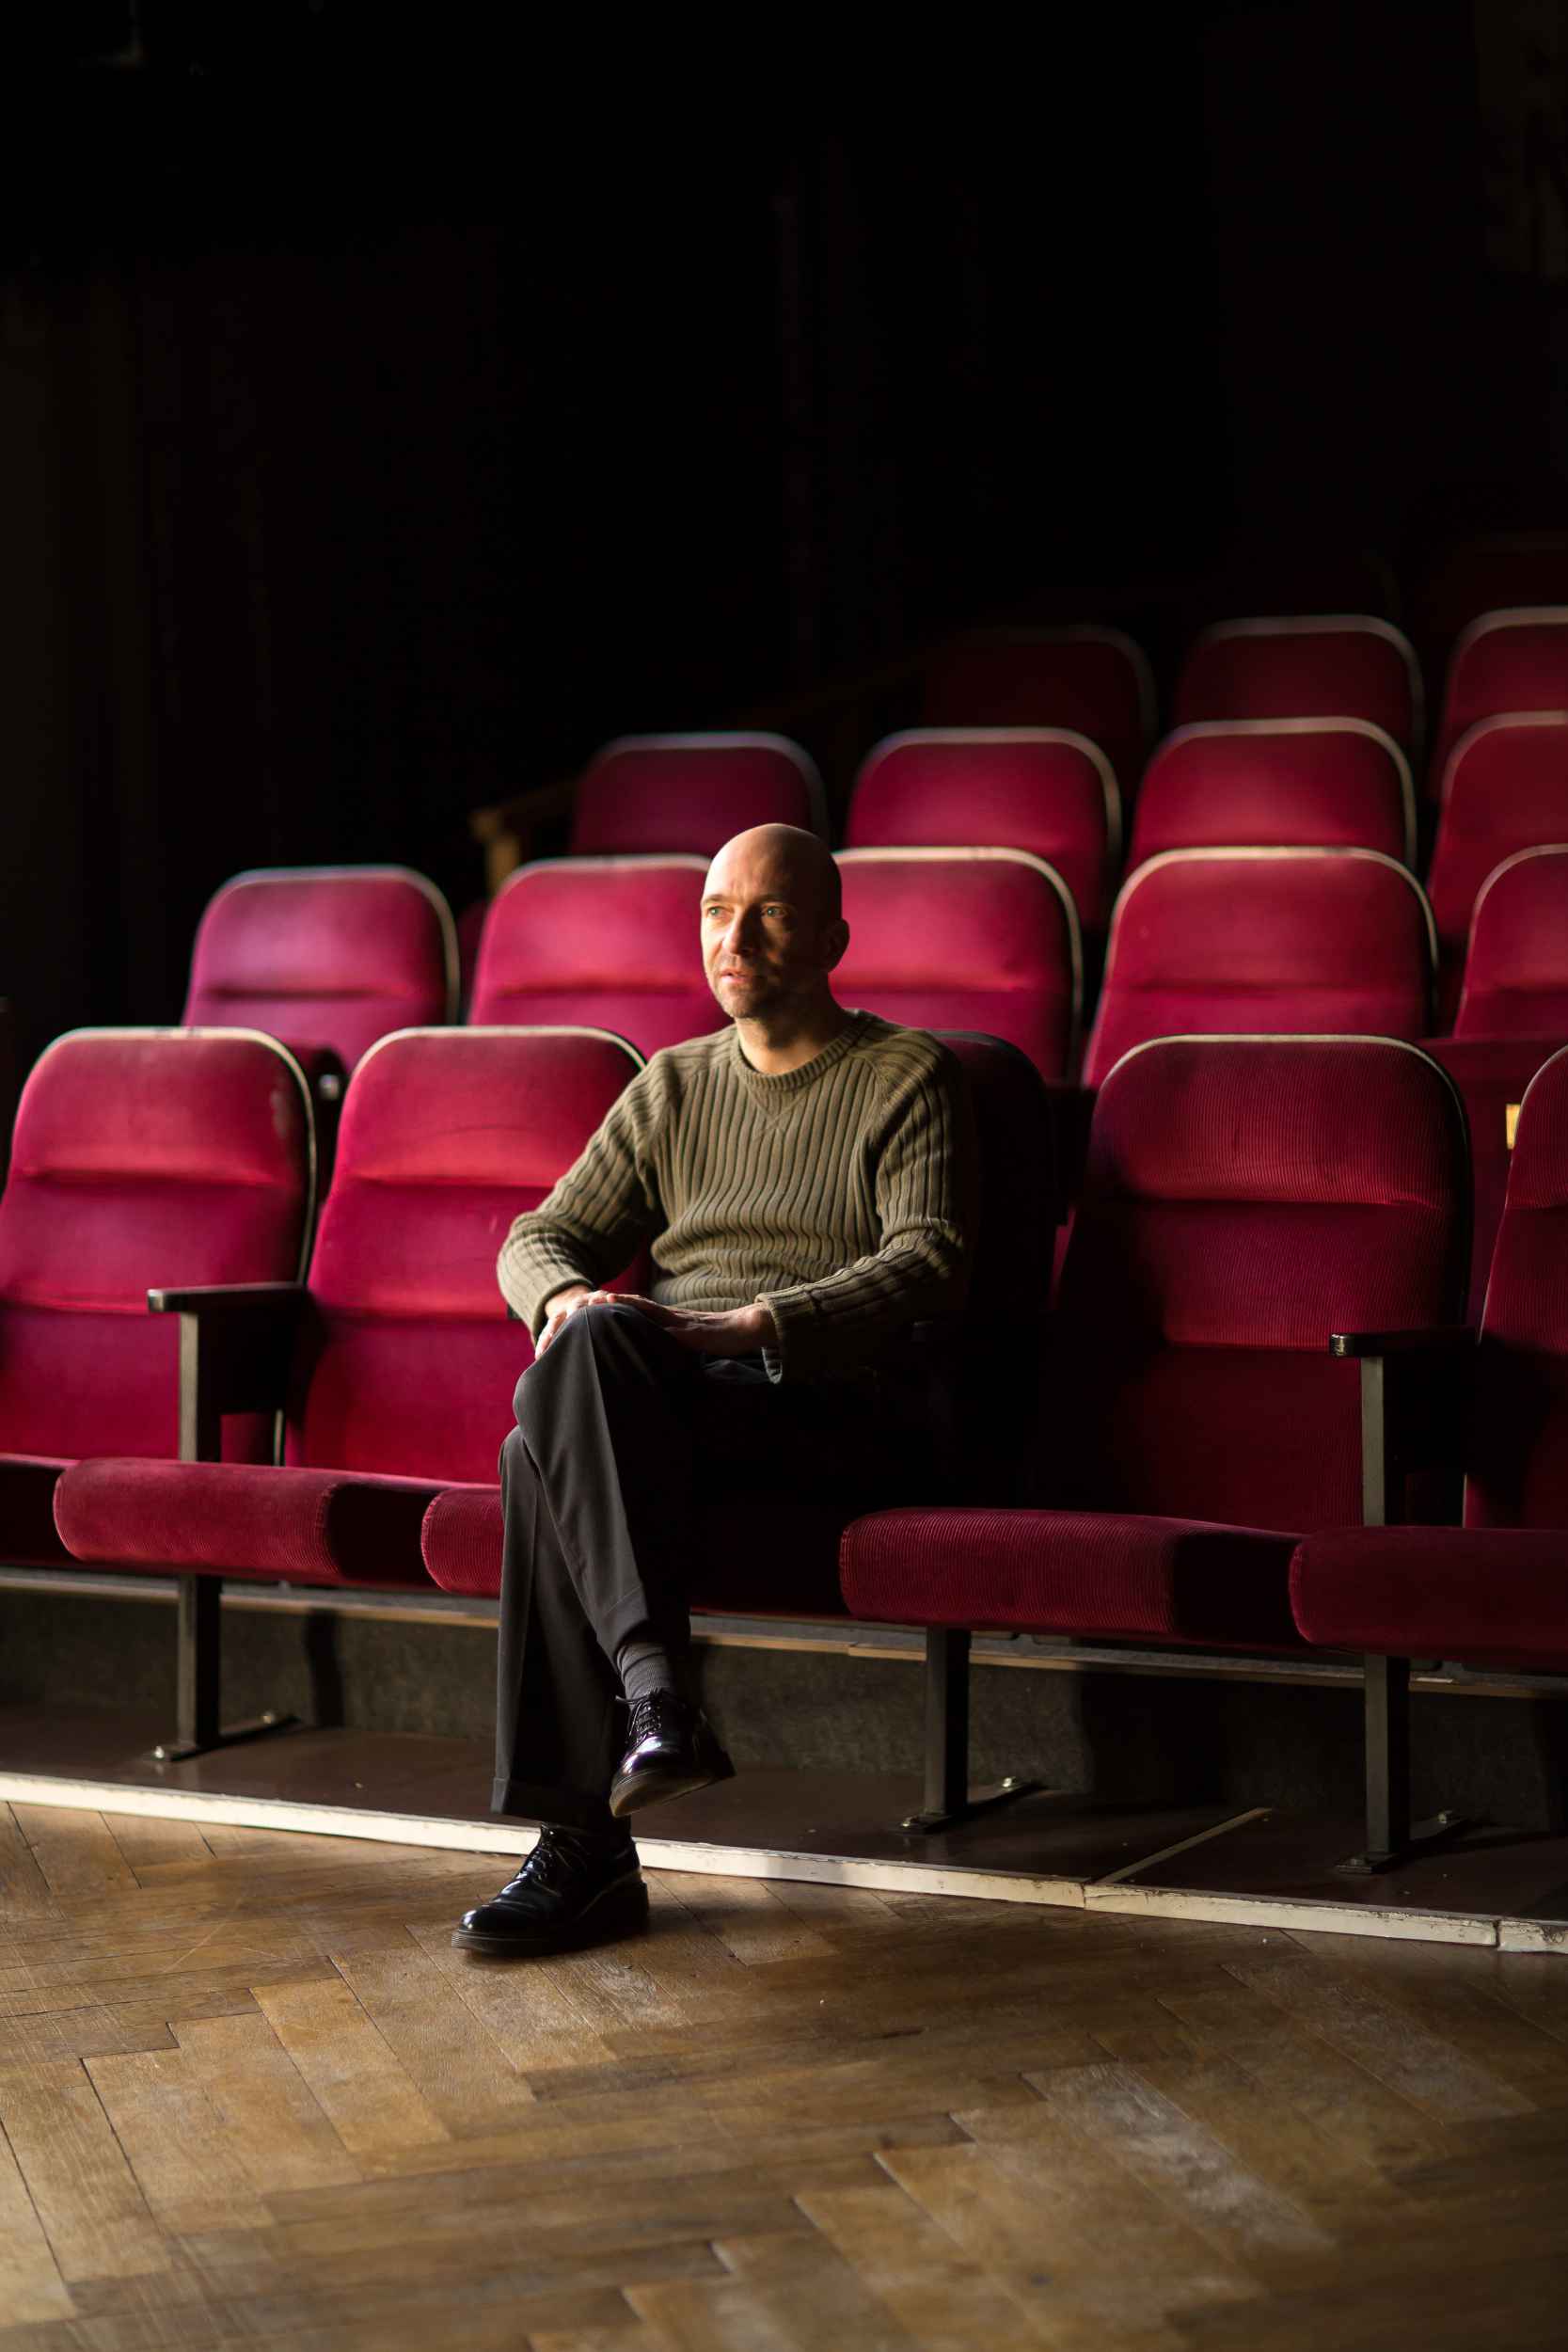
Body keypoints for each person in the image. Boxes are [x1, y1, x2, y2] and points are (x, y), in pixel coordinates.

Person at [453, 822, 975, 1958]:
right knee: (570, 1370)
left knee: (536, 1439)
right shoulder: (673, 1085)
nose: (732, 937)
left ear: (834, 934)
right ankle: (648, 1718)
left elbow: (926, 1254)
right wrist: (561, 1302)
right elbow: (539, 1236)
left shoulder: (905, 1073)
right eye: (713, 911)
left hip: (832, 1400)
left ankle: (586, 1833)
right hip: (685, 1401)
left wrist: (756, 1320)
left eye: (770, 912)